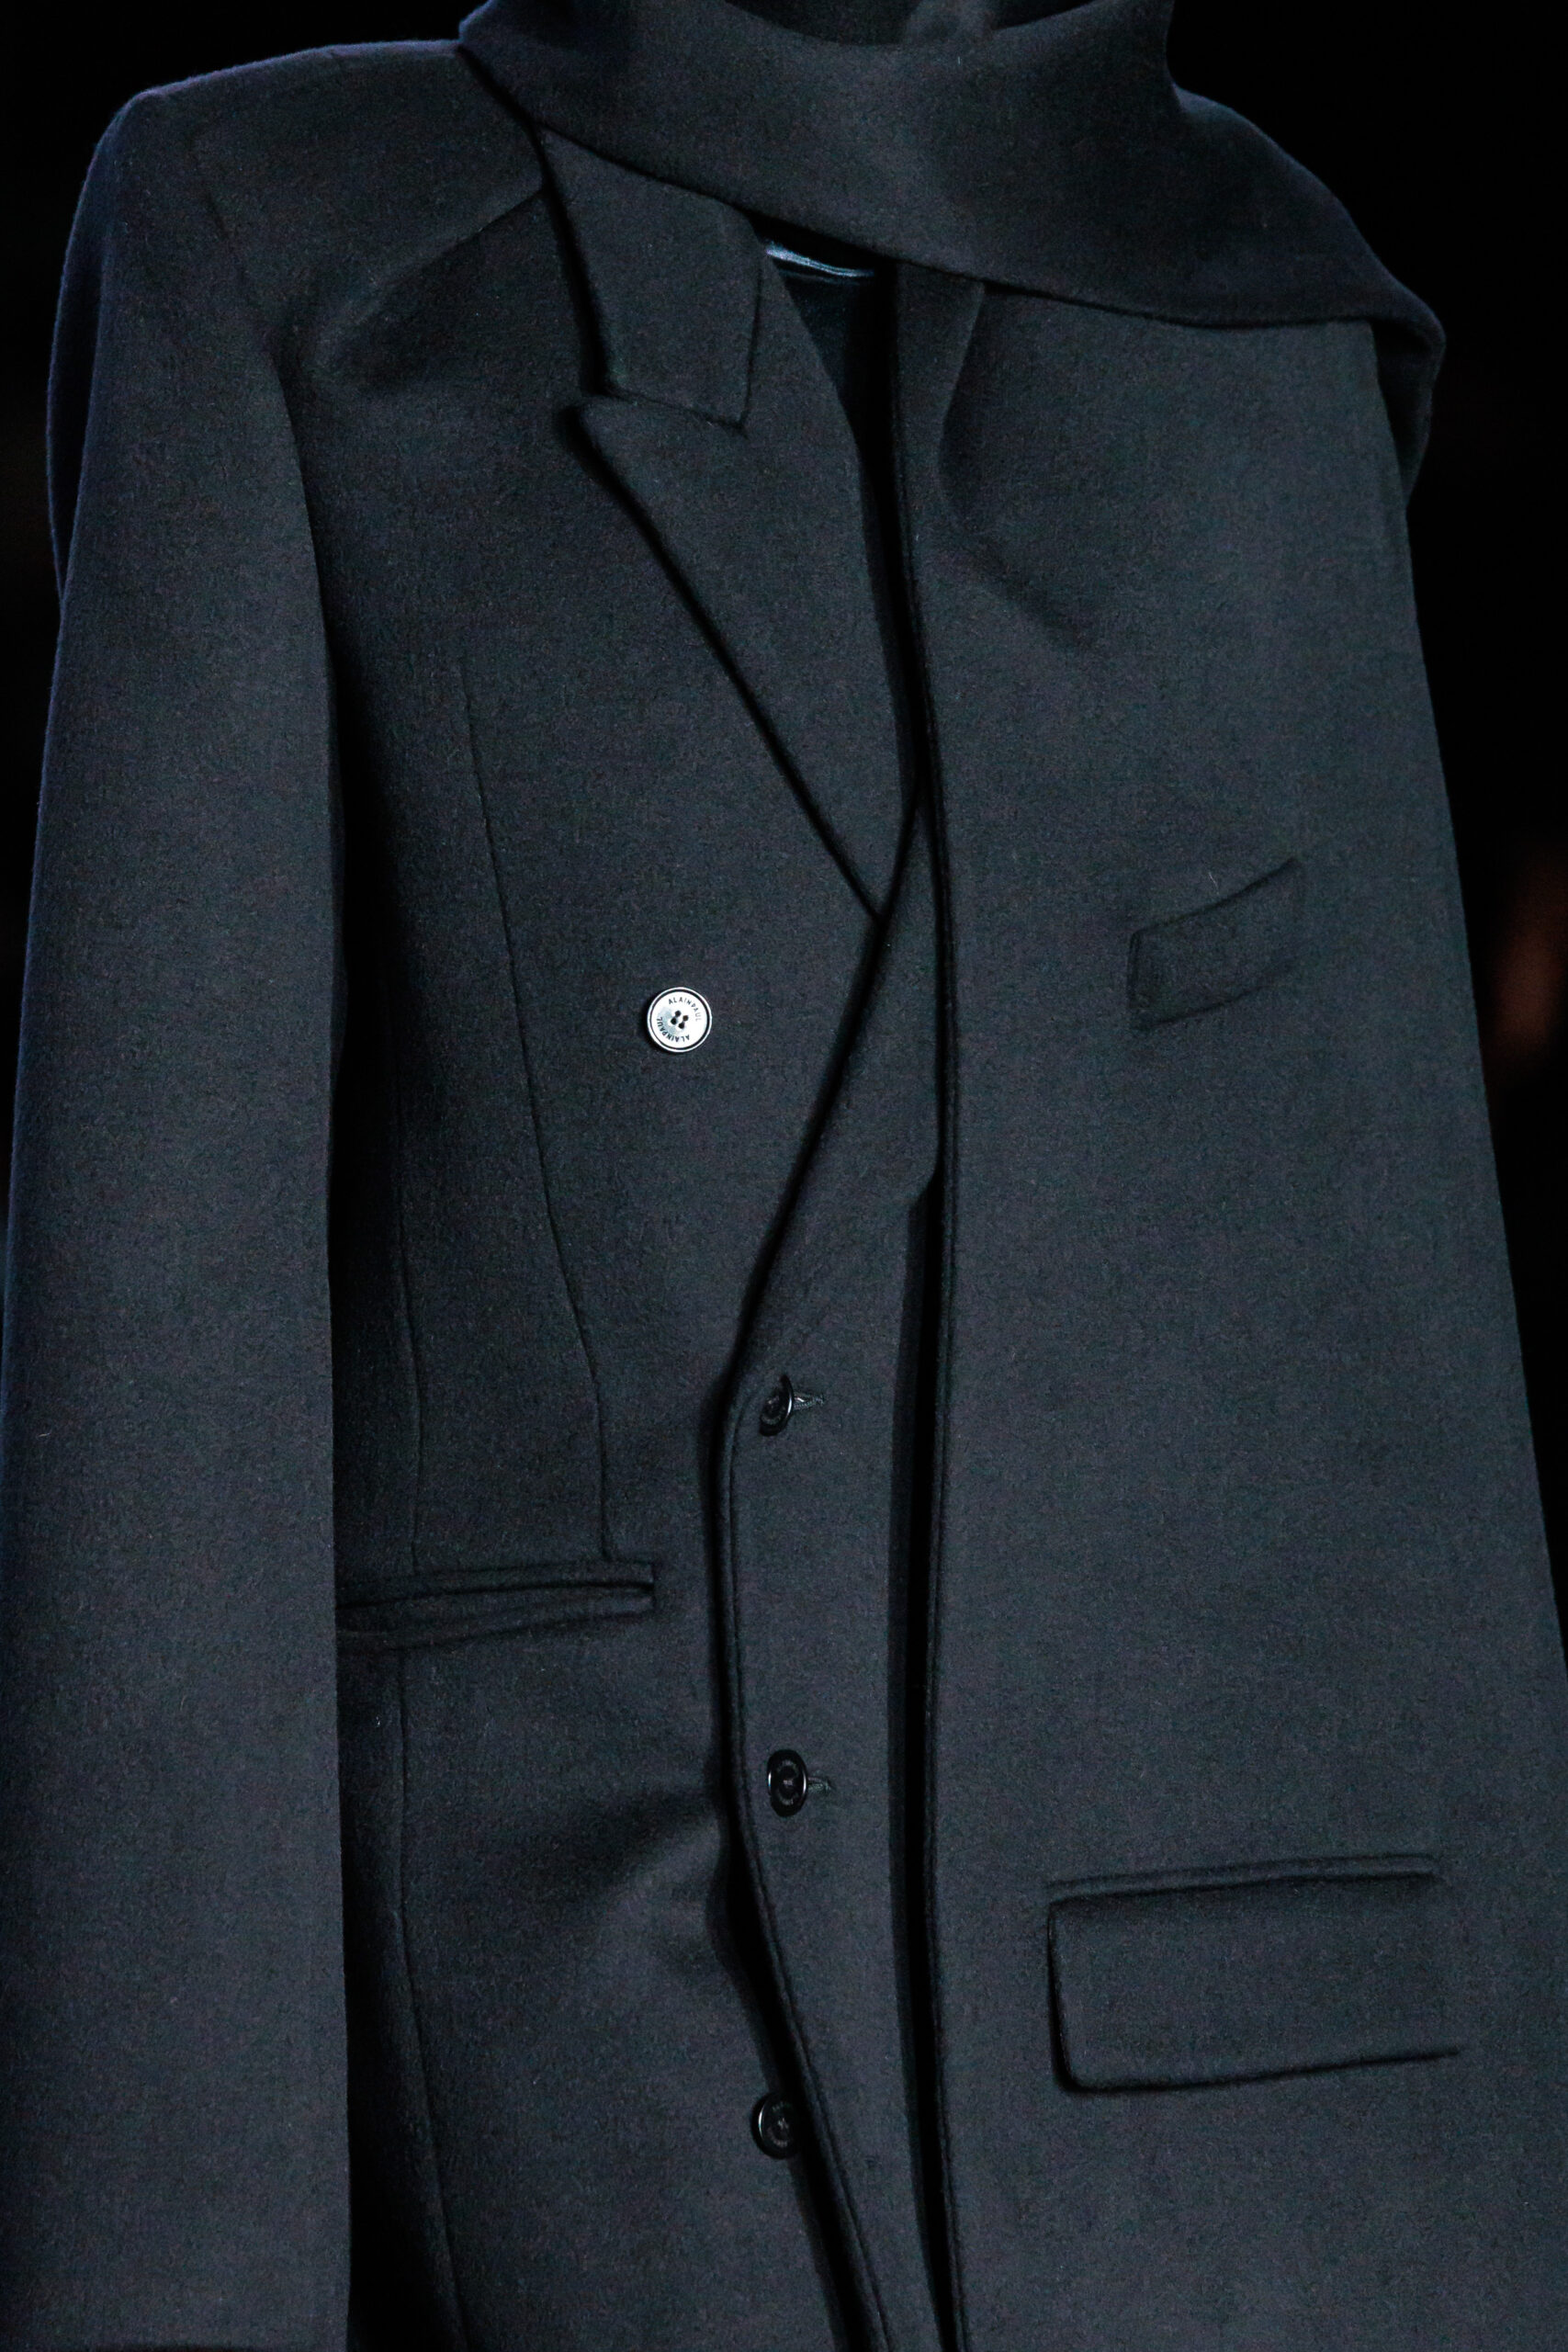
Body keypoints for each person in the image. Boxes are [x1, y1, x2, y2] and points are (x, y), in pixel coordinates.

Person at [2, 2, 1563, 2345]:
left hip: (1261, 2110)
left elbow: (1387, 1449)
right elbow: (162, 1435)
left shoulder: (1252, 307)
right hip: (625, 2099)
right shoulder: (299, 246)